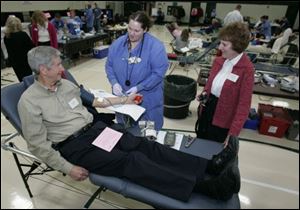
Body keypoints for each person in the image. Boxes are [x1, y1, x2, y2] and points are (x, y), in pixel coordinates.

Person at [18, 45, 240, 202]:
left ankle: (208, 166)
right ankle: (207, 188)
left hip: (96, 130)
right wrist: (67, 168)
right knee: (131, 161)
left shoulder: (66, 85)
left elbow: (95, 101)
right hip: (76, 147)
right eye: (57, 65)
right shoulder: (29, 101)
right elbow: (37, 145)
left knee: (145, 145)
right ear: (43, 70)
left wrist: (124, 99)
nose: (62, 68)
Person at [105, 11, 169, 130]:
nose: (131, 33)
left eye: (136, 31)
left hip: (147, 101)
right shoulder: (118, 44)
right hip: (123, 100)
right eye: (130, 28)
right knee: (125, 134)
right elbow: (109, 65)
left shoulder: (155, 47)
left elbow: (159, 73)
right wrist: (114, 82)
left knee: (147, 137)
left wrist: (139, 87)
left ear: (145, 30)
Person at [195, 22, 254, 147]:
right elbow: (209, 85)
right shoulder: (218, 61)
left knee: (213, 152)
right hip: (207, 111)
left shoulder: (246, 69)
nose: (220, 47)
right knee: (199, 145)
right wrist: (204, 93)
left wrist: (232, 134)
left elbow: (243, 106)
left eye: (224, 44)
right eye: (220, 43)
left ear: (237, 46)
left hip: (223, 121)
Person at [4, 16, 34, 81]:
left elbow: (9, 51)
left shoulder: (6, 37)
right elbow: (31, 47)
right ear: (19, 24)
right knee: (28, 78)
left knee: (20, 79)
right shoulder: (23, 35)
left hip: (14, 62)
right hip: (25, 61)